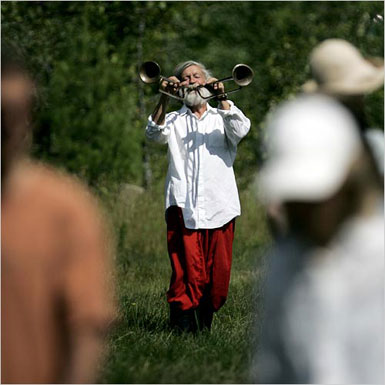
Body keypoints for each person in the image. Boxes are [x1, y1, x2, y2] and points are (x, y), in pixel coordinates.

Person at [1, 45, 116, 383]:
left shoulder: (66, 207)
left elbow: (87, 327)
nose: (5, 128)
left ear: (29, 117)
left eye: (14, 113)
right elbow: (156, 131)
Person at [251, 94, 384, 384]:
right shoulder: (282, 264)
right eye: (296, 198)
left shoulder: (378, 262)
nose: (305, 210)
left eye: (317, 197)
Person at [145, 60, 251, 332]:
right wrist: (164, 96)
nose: (191, 80)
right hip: (183, 206)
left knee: (217, 278)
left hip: (220, 206)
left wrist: (223, 97)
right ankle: (182, 329)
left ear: (207, 80)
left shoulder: (222, 116)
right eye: (185, 77)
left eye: (196, 76)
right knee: (185, 271)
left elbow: (240, 131)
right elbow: (153, 134)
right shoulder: (173, 119)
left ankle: (203, 326)